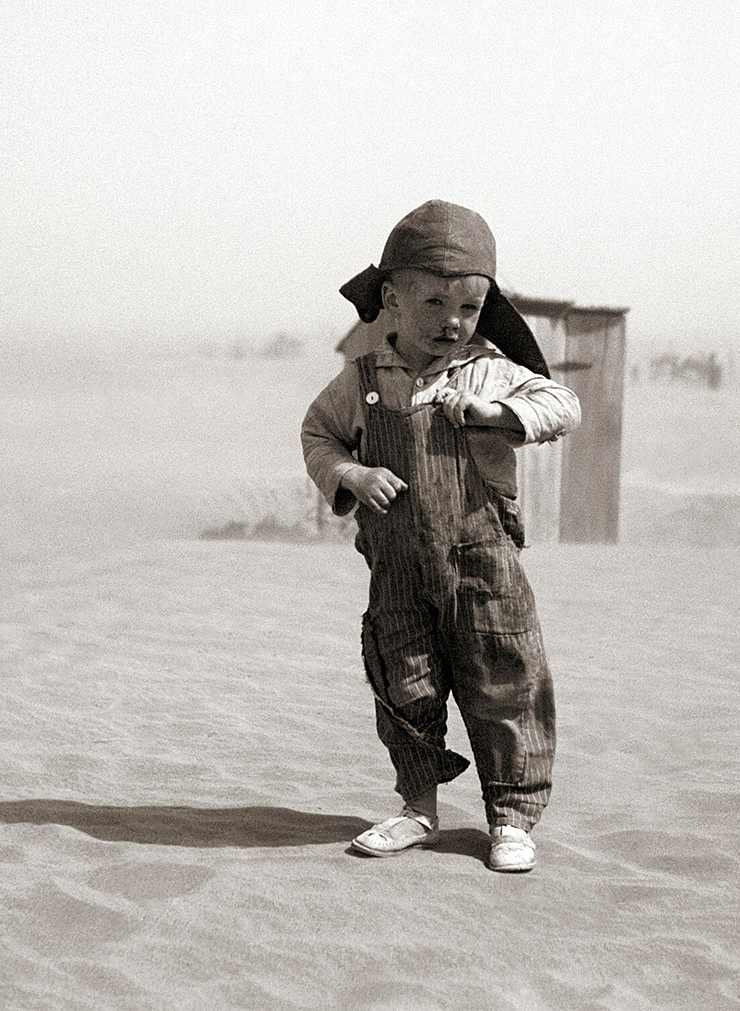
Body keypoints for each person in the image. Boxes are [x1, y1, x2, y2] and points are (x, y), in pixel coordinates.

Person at [301, 200, 580, 872]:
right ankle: (418, 809)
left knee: (504, 686)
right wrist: (352, 472)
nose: (453, 324)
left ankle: (511, 819)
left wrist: (497, 413)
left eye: (470, 308)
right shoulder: (362, 382)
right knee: (407, 687)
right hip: (397, 574)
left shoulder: (489, 370)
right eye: (433, 304)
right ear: (391, 299)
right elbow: (318, 434)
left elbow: (562, 404)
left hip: (485, 574)